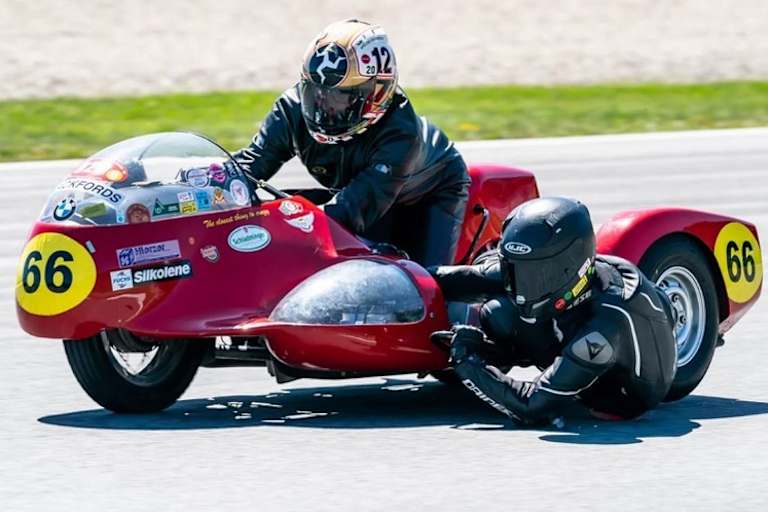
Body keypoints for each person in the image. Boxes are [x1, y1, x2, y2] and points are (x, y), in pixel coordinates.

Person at [232, 19, 470, 266]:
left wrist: (283, 231)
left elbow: (350, 211)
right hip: (363, 193)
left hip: (429, 193)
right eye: (316, 91)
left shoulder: (400, 133)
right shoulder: (291, 110)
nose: (324, 106)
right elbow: (251, 164)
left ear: (376, 93)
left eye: (340, 96)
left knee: (424, 286)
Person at [430, 197, 678, 424]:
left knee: (503, 313)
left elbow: (532, 407)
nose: (522, 286)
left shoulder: (606, 326)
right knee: (499, 311)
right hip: (571, 324)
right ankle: (496, 352)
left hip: (615, 394)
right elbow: (459, 279)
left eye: (536, 275)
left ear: (571, 269)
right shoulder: (532, 276)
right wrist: (402, 273)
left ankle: (493, 355)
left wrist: (470, 364)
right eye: (514, 269)